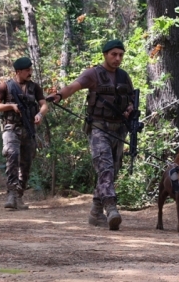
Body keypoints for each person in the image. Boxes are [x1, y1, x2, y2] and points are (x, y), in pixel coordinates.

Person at [46, 39, 135, 230]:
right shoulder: (93, 74)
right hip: (98, 129)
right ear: (105, 54)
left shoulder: (124, 77)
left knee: (111, 173)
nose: (117, 58)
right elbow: (72, 87)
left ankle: (95, 212)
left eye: (120, 55)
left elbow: (130, 101)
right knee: (105, 169)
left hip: (119, 130)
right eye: (114, 54)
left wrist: (129, 110)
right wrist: (59, 95)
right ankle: (111, 208)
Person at [0, 57, 48, 210]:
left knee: (26, 164)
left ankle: (19, 195)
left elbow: (43, 105)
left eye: (31, 69)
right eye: (27, 70)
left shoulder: (34, 87)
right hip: (11, 128)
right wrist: (10, 106)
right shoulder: (6, 86)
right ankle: (10, 193)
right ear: (18, 72)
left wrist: (39, 115)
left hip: (28, 129)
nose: (30, 73)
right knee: (12, 154)